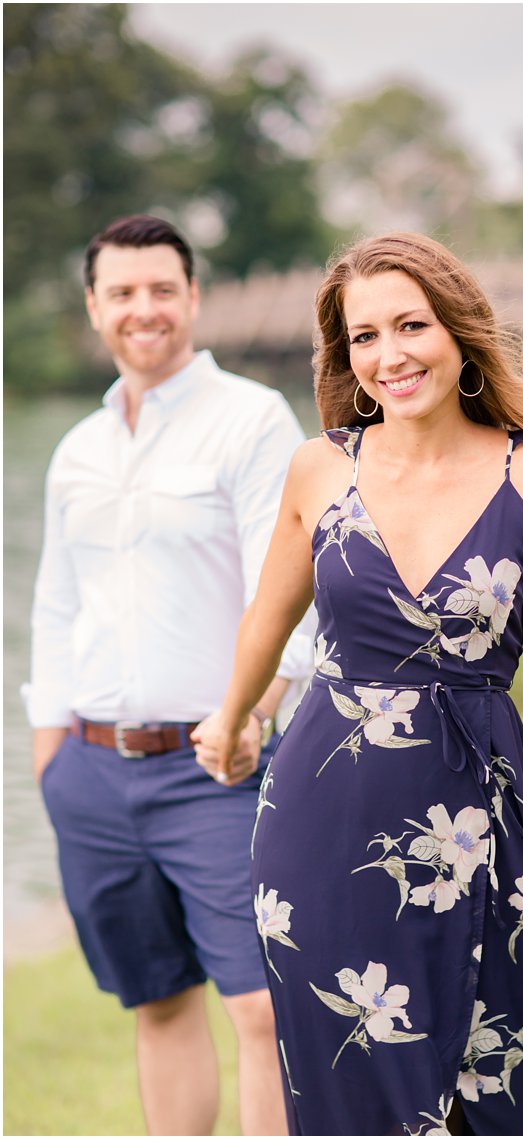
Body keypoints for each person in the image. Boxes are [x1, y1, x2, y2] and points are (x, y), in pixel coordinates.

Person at [192, 232, 523, 1136]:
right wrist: (228, 721)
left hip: (483, 814)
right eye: (363, 337)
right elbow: (268, 617)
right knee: (353, 1091)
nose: (388, 356)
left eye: (410, 325)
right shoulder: (320, 467)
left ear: (458, 330)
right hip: (319, 823)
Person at [26, 214, 305, 1135]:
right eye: (121, 293)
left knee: (262, 1007)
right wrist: (50, 756)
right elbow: (57, 607)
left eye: (161, 289)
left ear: (192, 297)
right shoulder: (78, 449)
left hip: (217, 763)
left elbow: (288, 585)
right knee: (157, 997)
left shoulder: (251, 420)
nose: (142, 309)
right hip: (93, 774)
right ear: (94, 307)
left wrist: (252, 712)